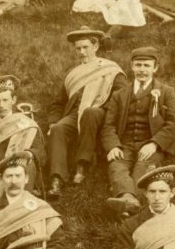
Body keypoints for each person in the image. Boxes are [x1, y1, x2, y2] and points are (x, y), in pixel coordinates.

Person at [46, 28, 128, 196]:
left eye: (85, 47)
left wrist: (101, 108)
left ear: (95, 46)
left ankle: (82, 165)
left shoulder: (111, 69)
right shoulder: (73, 74)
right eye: (78, 49)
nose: (81, 52)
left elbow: (122, 98)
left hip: (101, 113)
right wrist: (53, 121)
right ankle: (57, 179)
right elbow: (58, 103)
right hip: (75, 114)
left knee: (90, 112)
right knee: (58, 129)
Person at [102, 47, 175, 216]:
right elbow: (108, 126)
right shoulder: (120, 94)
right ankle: (129, 200)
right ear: (131, 66)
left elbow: (174, 124)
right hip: (125, 144)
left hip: (150, 144)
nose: (142, 70)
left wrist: (154, 144)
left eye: (146, 65)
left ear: (155, 68)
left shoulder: (167, 92)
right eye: (138, 65)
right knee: (117, 166)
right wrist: (113, 146)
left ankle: (126, 205)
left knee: (142, 170)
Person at [0, 75, 46, 196]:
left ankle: (21, 207)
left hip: (18, 176)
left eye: (5, 100)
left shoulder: (25, 123)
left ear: (13, 100)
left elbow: (40, 153)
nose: (1, 105)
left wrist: (29, 154)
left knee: (28, 162)